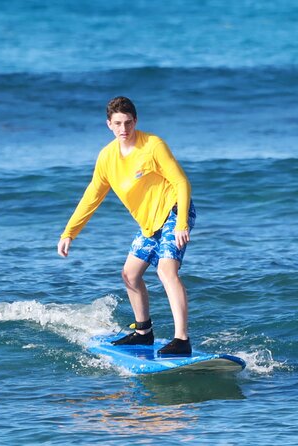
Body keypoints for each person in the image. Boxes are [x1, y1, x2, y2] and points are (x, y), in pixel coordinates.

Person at [57, 96, 195, 356]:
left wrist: (182, 223)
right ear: (108, 124)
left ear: (136, 121)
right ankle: (143, 333)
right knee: (130, 274)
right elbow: (92, 196)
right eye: (118, 123)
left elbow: (181, 183)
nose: (124, 129)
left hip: (173, 212)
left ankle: (182, 339)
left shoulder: (153, 145)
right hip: (148, 223)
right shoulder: (107, 157)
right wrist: (69, 233)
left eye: (128, 122)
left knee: (166, 271)